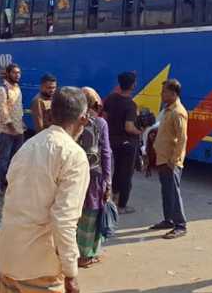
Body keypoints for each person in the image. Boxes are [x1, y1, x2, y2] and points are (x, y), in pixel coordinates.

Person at [0, 87, 90, 293]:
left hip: (9, 259)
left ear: (50, 115)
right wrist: (71, 273)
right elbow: (64, 221)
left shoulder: (28, 146)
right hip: (39, 270)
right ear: (83, 119)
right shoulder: (74, 156)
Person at [148, 79, 189, 239]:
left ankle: (180, 225)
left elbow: (182, 138)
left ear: (173, 93)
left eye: (164, 91)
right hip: (163, 158)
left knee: (173, 191)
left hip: (171, 160)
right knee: (166, 191)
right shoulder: (168, 110)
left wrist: (175, 159)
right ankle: (168, 220)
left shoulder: (178, 112)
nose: (161, 94)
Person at [76, 87, 112, 268]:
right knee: (91, 214)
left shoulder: (73, 121)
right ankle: (85, 255)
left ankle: (77, 252)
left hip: (75, 175)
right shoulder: (100, 123)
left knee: (76, 214)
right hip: (94, 175)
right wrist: (108, 181)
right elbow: (105, 153)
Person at [103, 71, 143, 214]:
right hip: (127, 144)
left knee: (117, 171)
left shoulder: (111, 98)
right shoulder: (130, 105)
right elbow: (129, 127)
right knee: (126, 175)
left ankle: (113, 198)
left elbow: (105, 117)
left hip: (113, 141)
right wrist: (140, 132)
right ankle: (122, 206)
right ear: (132, 85)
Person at [0, 63, 25, 194]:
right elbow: (3, 110)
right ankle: (3, 187)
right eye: (14, 73)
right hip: (6, 131)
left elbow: (19, 108)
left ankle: (15, 185)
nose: (17, 75)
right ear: (8, 73)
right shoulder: (2, 89)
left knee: (17, 159)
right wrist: (11, 126)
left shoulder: (17, 88)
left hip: (19, 130)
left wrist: (21, 123)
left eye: (19, 73)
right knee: (4, 160)